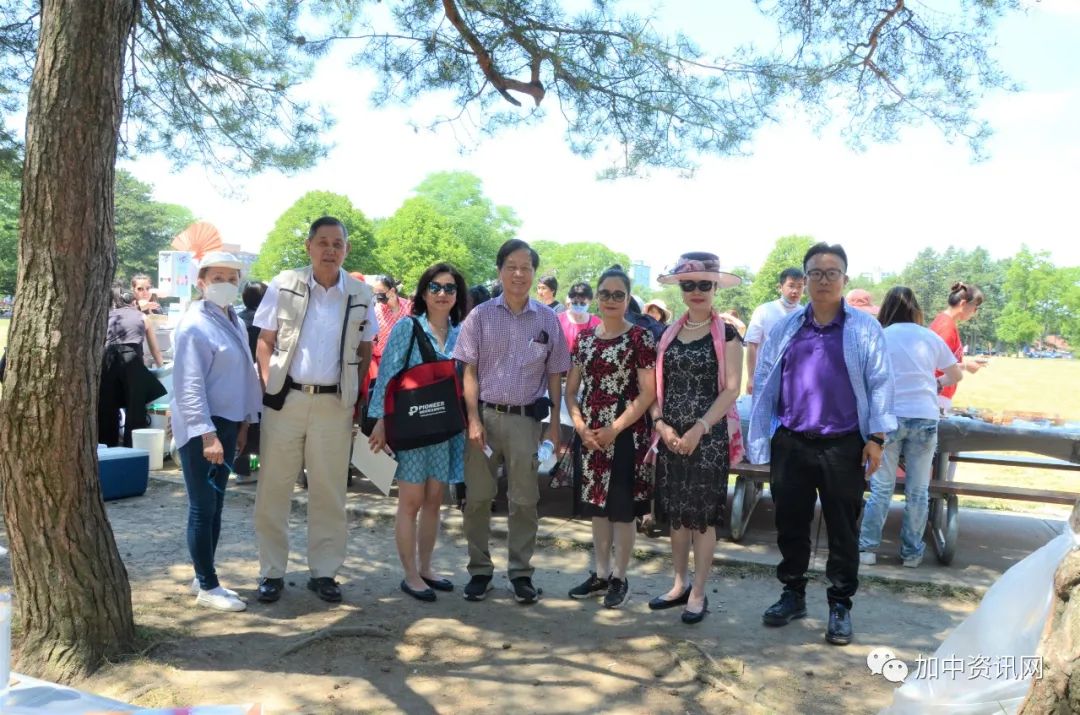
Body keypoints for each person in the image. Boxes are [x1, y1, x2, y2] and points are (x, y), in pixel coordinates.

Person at [748, 242, 895, 646]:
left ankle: (840, 604)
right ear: (805, 279)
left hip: (844, 445)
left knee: (843, 529)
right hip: (792, 441)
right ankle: (792, 594)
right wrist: (765, 433)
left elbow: (881, 383)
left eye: (832, 273)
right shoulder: (787, 328)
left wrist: (877, 437)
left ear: (845, 279)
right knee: (790, 524)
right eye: (815, 273)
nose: (823, 280)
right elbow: (764, 378)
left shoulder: (864, 329)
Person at [252, 216, 377, 605]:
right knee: (273, 488)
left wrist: (353, 391)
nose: (330, 250)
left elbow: (366, 348)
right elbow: (265, 341)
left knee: (329, 491)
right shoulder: (284, 283)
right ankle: (272, 571)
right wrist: (269, 383)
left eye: (338, 244)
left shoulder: (360, 293)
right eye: (323, 242)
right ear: (308, 246)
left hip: (333, 405)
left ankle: (324, 572)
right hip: (286, 399)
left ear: (346, 250)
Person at [453, 238, 572, 605]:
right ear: (500, 271)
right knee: (477, 498)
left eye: (526, 267)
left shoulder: (547, 319)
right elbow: (468, 372)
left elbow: (556, 374)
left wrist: (554, 426)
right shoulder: (480, 316)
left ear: (534, 273)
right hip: (484, 419)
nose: (518, 274)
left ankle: (521, 574)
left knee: (524, 501)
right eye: (511, 267)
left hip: (525, 422)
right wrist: (473, 420)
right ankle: (480, 571)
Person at [646, 252, 743, 625]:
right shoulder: (667, 334)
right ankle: (679, 584)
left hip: (708, 439)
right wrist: (661, 425)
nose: (697, 291)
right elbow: (656, 387)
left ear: (715, 287)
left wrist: (699, 428)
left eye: (705, 284)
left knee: (702, 520)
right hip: (671, 439)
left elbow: (731, 389)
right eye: (689, 284)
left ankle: (699, 591)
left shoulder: (728, 334)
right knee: (676, 517)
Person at [369, 263, 468, 602]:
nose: (442, 294)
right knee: (410, 501)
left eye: (450, 288)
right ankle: (410, 574)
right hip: (411, 426)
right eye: (435, 287)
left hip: (444, 427)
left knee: (434, 500)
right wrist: (380, 421)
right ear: (424, 292)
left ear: (457, 295)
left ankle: (426, 567)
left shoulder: (459, 332)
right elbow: (387, 374)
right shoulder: (407, 327)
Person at [171, 252, 263, 612]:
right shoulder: (194, 325)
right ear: (202, 283)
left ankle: (203, 572)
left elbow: (242, 373)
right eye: (218, 278)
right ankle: (208, 586)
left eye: (232, 278)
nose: (226, 284)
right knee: (203, 506)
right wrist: (207, 435)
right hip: (203, 426)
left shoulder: (231, 318)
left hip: (227, 422)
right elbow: (189, 385)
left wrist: (243, 423)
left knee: (216, 505)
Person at [565, 267, 657, 609]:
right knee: (597, 509)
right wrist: (579, 426)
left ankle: (620, 576)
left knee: (622, 510)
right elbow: (571, 391)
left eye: (619, 294)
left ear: (628, 298)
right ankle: (601, 574)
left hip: (626, 433)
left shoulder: (641, 338)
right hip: (590, 434)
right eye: (605, 293)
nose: (611, 300)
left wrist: (614, 428)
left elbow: (647, 393)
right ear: (597, 297)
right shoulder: (584, 339)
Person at [859, 287, 962, 569]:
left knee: (881, 489)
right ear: (915, 309)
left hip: (889, 418)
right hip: (925, 416)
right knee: (918, 491)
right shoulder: (929, 336)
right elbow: (956, 373)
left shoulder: (880, 335)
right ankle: (912, 553)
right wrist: (936, 383)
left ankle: (867, 549)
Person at [98, 287, 165, 447]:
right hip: (132, 361)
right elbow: (155, 350)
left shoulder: (106, 316)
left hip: (108, 360)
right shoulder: (143, 317)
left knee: (107, 406)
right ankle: (134, 447)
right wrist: (162, 369)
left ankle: (107, 448)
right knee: (136, 406)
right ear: (133, 301)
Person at [744, 267, 805, 395]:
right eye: (791, 286)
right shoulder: (764, 310)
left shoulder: (805, 314)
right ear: (780, 287)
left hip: (794, 379)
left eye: (800, 286)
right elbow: (752, 345)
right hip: (766, 378)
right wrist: (750, 377)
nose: (795, 291)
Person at [929, 282, 987, 414]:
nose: (975, 312)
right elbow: (937, 364)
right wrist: (966, 366)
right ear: (963, 304)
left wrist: (968, 363)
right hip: (938, 394)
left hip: (938, 392)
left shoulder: (944, 321)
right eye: (975, 308)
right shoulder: (947, 327)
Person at [234, 281, 267, 484]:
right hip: (262, 377)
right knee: (258, 425)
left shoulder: (237, 320)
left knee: (242, 424)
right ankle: (254, 468)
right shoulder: (266, 321)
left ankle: (241, 469)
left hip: (239, 378)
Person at [557, 281, 601, 352]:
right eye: (574, 303)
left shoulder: (597, 323)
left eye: (582, 303)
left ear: (590, 302)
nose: (578, 305)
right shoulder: (558, 320)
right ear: (570, 300)